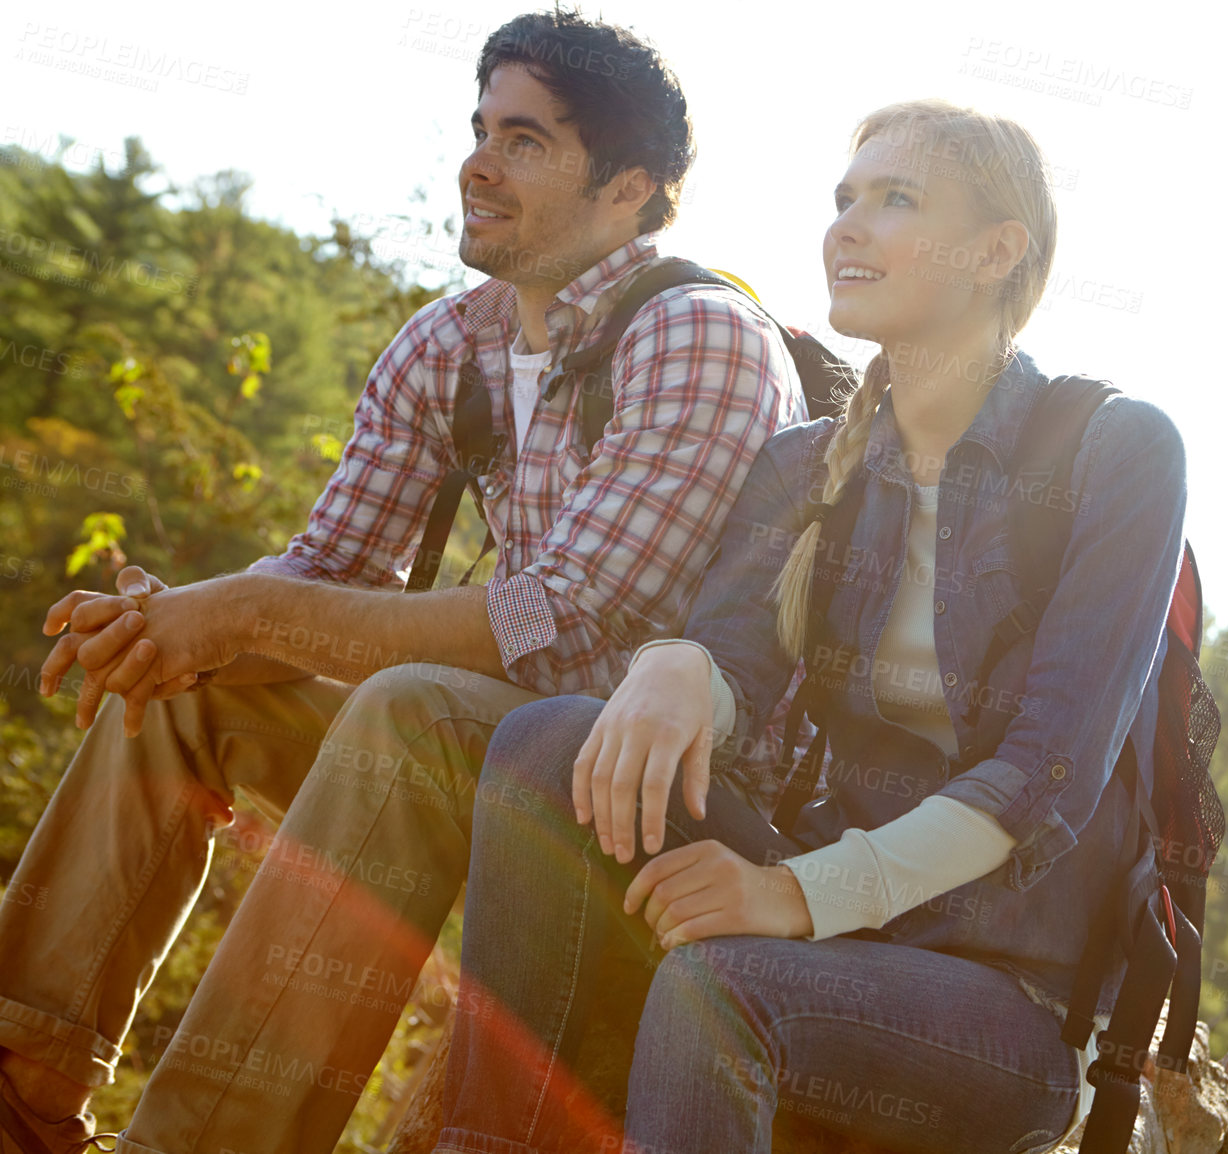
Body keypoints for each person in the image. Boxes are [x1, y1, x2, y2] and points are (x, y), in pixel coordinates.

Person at [0, 12, 806, 1154]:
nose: (478, 161)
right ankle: (21, 1095)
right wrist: (179, 622)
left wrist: (239, 610)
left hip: (662, 809)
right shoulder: (450, 343)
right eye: (480, 129)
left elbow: (560, 622)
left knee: (406, 710)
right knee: (180, 680)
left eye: (525, 140)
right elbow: (326, 574)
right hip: (494, 765)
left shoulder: (701, 335)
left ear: (631, 186)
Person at [434, 99, 1188, 1154]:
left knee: (719, 985)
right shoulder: (803, 463)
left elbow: (1042, 777)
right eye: (843, 199)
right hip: (836, 899)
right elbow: (733, 662)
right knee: (544, 741)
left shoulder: (1118, 450)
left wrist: (791, 893)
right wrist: (675, 666)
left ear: (995, 250)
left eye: (896, 200)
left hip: (998, 996)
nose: (847, 226)